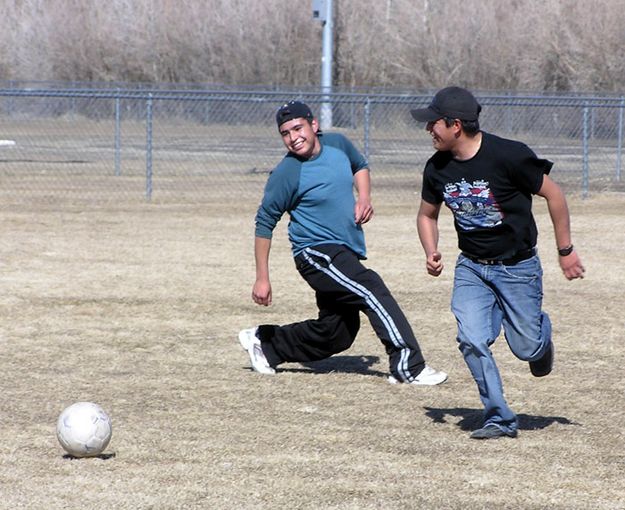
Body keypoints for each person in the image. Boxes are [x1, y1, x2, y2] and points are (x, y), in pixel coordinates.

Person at [412, 86, 585, 439]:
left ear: (455, 125)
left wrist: (565, 251)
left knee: (526, 347)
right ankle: (499, 418)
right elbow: (427, 215)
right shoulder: (437, 168)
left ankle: (540, 340)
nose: (428, 129)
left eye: (433, 123)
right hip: (472, 267)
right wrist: (431, 250)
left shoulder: (509, 156)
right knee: (471, 338)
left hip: (518, 268)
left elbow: (554, 194)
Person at [238, 100, 447, 386]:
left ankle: (267, 343)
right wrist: (262, 278)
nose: (293, 137)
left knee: (338, 332)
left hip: (345, 250)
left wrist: (364, 197)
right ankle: (408, 366)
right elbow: (264, 224)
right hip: (315, 252)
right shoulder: (286, 173)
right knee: (371, 287)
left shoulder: (337, 144)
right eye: (285, 133)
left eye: (298, 128)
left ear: (314, 125)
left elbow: (359, 166)